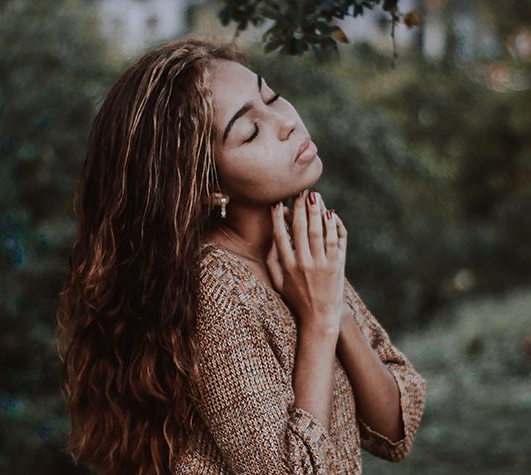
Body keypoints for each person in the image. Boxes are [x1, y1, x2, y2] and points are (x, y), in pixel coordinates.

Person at [56, 37, 426, 475]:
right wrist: (320, 323)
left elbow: (397, 426)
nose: (286, 122)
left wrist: (335, 311)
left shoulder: (298, 252)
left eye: (270, 96)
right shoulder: (216, 291)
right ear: (210, 185)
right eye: (249, 131)